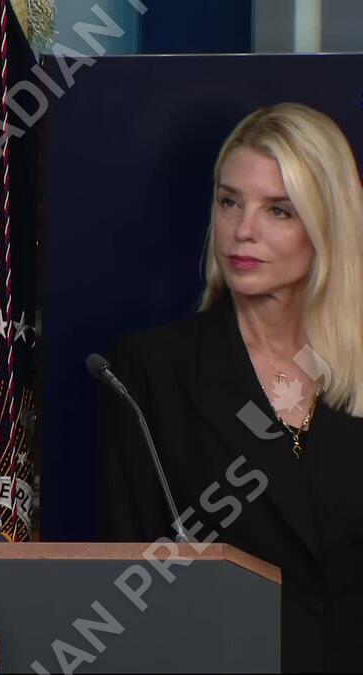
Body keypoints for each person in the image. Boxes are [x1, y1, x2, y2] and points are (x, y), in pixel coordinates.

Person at [99, 103, 363, 673]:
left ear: (328, 224)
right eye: (229, 202)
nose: (244, 230)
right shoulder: (146, 373)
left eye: (278, 210)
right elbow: (130, 592)